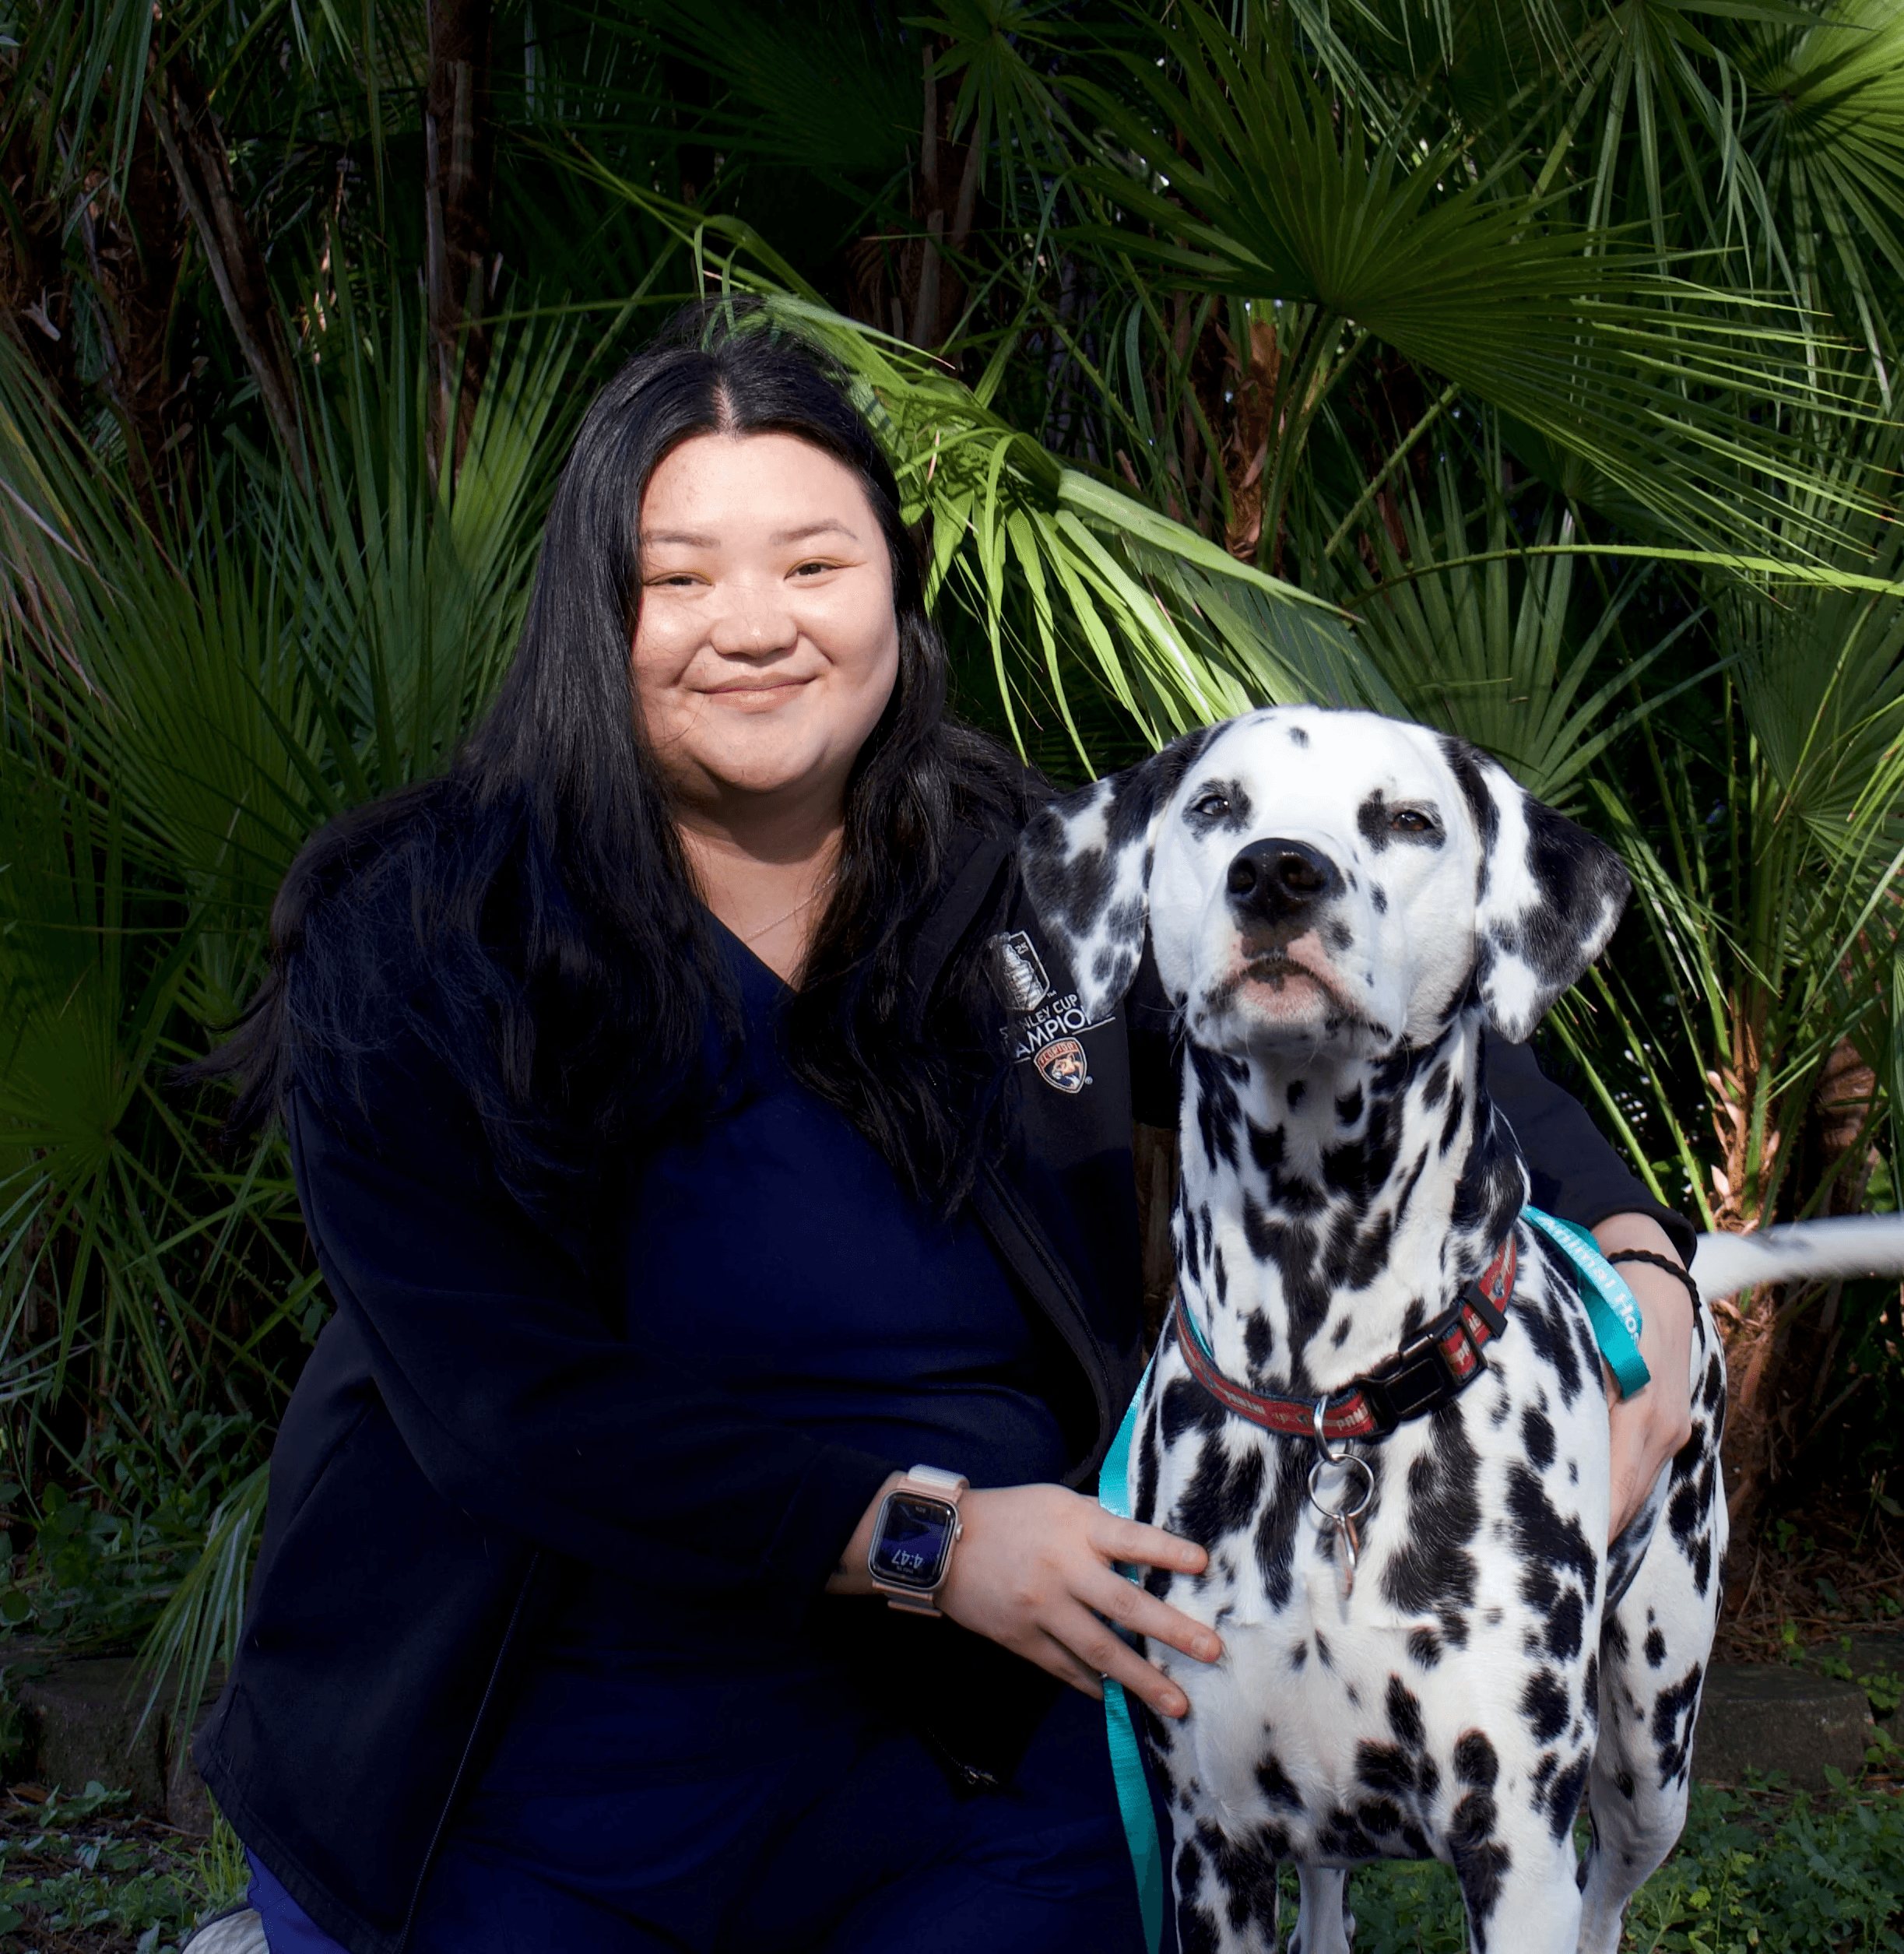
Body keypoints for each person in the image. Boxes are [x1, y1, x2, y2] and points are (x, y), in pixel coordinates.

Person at [192, 306, 1698, 1954]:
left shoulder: (1032, 881)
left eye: (812, 566)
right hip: (531, 1741)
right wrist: (928, 1536)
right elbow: (507, 1408)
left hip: (967, 1744)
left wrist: (1641, 1262)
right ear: (590, 612)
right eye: (679, 576)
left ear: (892, 601)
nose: (751, 627)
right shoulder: (413, 931)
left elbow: (1393, 1003)